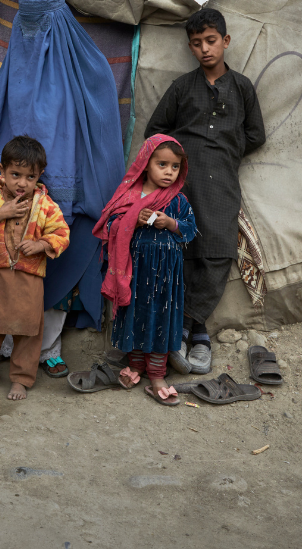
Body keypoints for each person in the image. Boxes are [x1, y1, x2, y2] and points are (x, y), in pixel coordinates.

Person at [0, 0, 125, 380]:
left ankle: (47, 346)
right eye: (25, 23)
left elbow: (101, 134)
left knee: (54, 260)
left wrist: (86, 185)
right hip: (12, 192)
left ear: (59, 23)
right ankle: (1, 342)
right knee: (6, 270)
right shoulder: (16, 65)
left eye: (40, 24)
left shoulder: (89, 68)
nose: (32, 33)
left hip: (65, 195)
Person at [144, 8, 265, 374]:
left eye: (211, 41)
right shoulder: (182, 87)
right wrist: (176, 159)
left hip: (223, 184)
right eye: (196, 44)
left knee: (215, 252)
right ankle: (198, 335)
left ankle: (185, 326)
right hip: (181, 184)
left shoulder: (242, 87)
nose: (204, 49)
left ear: (225, 41)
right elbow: (156, 130)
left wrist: (224, 152)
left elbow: (257, 135)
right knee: (180, 251)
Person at [0, 136, 70, 401]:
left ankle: (21, 380)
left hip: (29, 278)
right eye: (15, 174)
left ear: (39, 176)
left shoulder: (45, 204)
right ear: (1, 170)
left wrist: (42, 244)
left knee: (28, 330)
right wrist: (0, 213)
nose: (22, 183)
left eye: (30, 177)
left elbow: (62, 232)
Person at [96, 135, 196, 405]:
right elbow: (109, 227)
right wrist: (133, 221)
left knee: (160, 318)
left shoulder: (178, 201)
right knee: (135, 315)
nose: (168, 172)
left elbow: (190, 230)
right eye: (162, 164)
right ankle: (136, 365)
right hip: (135, 272)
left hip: (165, 276)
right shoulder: (129, 196)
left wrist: (171, 223)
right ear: (145, 163)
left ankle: (157, 375)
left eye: (175, 167)